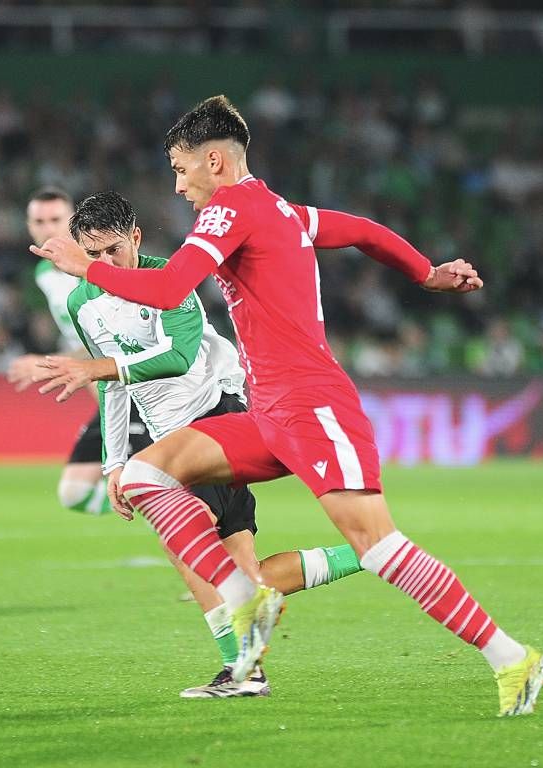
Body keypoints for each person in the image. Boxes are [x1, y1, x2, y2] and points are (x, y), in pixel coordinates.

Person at [32, 96, 543, 717]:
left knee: (380, 548)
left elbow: (171, 289)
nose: (178, 185)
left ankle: (512, 659)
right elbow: (360, 231)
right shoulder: (278, 210)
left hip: (312, 405)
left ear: (215, 161)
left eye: (180, 169)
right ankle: (244, 597)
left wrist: (87, 267)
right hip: (268, 413)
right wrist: (424, 272)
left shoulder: (231, 208)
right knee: (144, 473)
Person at [34, 190, 364, 698]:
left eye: (114, 251)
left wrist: (98, 368)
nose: (103, 263)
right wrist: (114, 462)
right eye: (92, 254)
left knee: (184, 546)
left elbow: (180, 357)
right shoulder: (83, 302)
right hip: (170, 437)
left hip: (216, 419)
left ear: (136, 239)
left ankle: (241, 671)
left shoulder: (172, 280)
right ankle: (371, 551)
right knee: (248, 576)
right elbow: (110, 386)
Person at [7, 187, 152, 515]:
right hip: (111, 391)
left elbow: (120, 345)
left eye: (56, 219)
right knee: (75, 492)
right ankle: (154, 512)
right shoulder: (45, 274)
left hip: (145, 386)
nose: (47, 228)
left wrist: (46, 365)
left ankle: (178, 520)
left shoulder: (99, 269)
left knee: (161, 480)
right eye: (39, 221)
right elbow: (86, 346)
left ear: (74, 220)